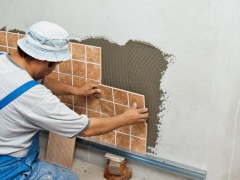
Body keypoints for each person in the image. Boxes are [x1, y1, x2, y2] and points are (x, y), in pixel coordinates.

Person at [0, 21, 148, 179]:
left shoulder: (4, 59)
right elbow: (85, 129)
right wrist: (125, 118)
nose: (54, 69)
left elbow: (35, 79)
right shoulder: (35, 98)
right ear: (43, 61)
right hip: (7, 168)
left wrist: (75, 90)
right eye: (54, 65)